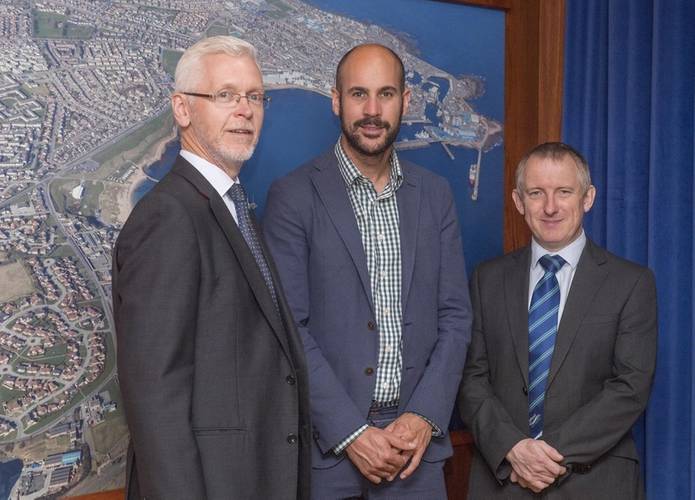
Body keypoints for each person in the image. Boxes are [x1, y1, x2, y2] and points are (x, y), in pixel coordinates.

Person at [263, 43, 472, 499]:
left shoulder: (435, 195)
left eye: (386, 94)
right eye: (359, 94)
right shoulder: (293, 196)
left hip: (416, 453)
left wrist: (423, 416)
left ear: (406, 102)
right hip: (330, 455)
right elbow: (289, 328)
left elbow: (455, 317)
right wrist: (351, 432)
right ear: (336, 100)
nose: (373, 111)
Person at [112, 36, 311, 500]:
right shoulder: (168, 218)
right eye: (225, 95)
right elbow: (155, 395)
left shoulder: (234, 205)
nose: (244, 110)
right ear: (182, 110)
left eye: (255, 97)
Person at [459, 142, 657, 499]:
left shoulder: (631, 283)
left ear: (588, 198)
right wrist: (513, 448)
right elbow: (471, 379)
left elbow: (630, 387)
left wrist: (543, 455)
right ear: (519, 201)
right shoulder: (486, 279)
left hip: (594, 482)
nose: (550, 207)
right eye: (536, 193)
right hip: (503, 480)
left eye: (564, 192)